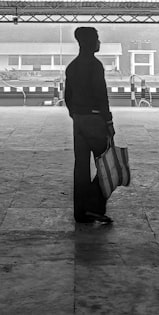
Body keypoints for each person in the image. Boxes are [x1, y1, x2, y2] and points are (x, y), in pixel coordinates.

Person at [64, 26, 115, 224]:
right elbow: (101, 96)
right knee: (106, 164)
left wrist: (76, 115)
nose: (99, 42)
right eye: (97, 39)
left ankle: (81, 212)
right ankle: (94, 206)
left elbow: (67, 96)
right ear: (89, 41)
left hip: (79, 120)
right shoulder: (95, 65)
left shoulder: (72, 66)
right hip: (95, 120)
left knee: (81, 167)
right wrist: (108, 121)